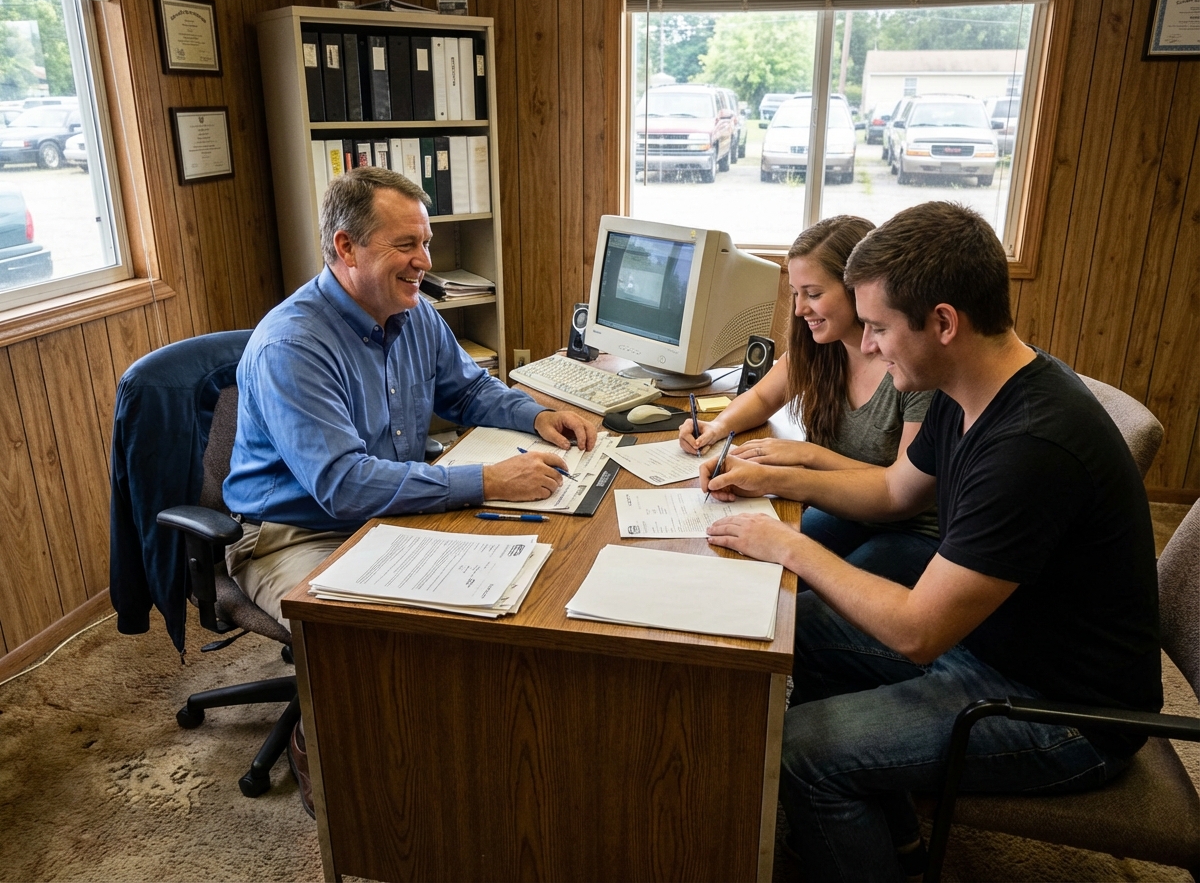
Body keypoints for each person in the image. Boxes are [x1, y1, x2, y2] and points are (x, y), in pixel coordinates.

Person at [703, 202, 1161, 881]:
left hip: (1066, 714)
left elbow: (919, 632)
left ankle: (854, 823)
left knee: (802, 751)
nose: (870, 345)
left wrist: (789, 546)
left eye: (882, 328)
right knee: (788, 623)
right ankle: (890, 841)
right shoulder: (965, 387)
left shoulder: (1031, 446)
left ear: (943, 322)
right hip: (993, 644)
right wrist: (779, 485)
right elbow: (894, 493)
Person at [223, 166, 595, 627]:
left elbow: (469, 390)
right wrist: (487, 481)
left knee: (513, 586)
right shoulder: (293, 347)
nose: (425, 261)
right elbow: (345, 485)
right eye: (405, 245)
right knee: (363, 636)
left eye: (426, 242)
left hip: (390, 506)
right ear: (346, 248)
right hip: (299, 532)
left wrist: (537, 416)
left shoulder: (411, 310)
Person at [680, 215, 938, 587]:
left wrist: (805, 456)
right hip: (846, 512)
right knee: (748, 575)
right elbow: (762, 395)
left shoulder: (913, 370)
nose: (800, 309)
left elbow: (899, 489)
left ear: (859, 289)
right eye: (797, 293)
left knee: (798, 610)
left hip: (912, 532)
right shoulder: (822, 348)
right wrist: (718, 426)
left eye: (814, 294)